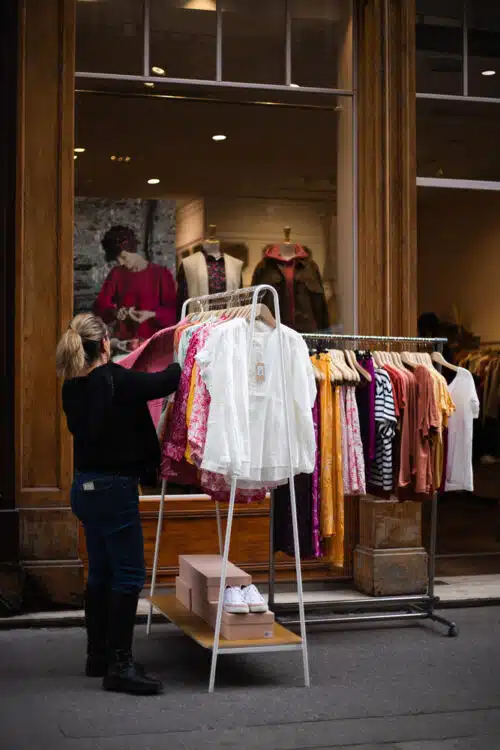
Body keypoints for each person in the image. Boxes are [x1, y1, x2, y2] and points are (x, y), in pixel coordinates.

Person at [56, 313, 181, 695]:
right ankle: (121, 666)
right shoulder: (113, 379)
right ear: (106, 344)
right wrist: (189, 351)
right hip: (114, 490)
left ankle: (99, 657)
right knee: (128, 575)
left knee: (101, 573)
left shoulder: (72, 389)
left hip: (86, 489)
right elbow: (167, 381)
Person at [94, 225, 176, 342]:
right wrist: (115, 312)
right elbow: (99, 306)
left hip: (155, 342)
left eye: (123, 257)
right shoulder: (116, 274)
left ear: (132, 249)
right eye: (117, 259)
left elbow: (172, 312)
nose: (121, 262)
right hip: (125, 344)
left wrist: (152, 314)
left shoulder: (161, 274)